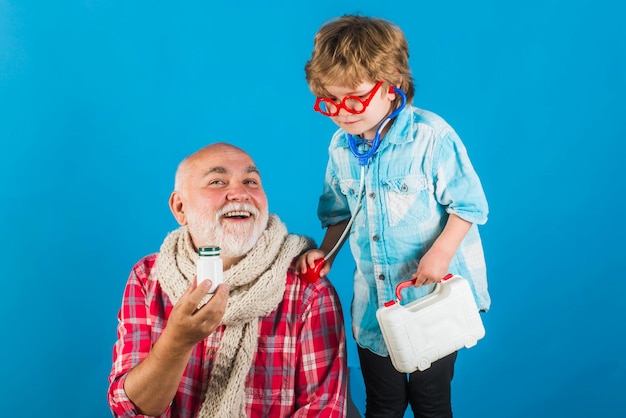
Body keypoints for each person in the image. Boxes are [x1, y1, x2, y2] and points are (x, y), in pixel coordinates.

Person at [295, 15, 490, 418]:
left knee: (430, 402)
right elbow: (338, 214)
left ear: (391, 87)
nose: (342, 113)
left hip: (430, 302)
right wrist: (326, 255)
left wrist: (440, 254)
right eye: (329, 102)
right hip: (374, 310)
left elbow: (470, 206)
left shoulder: (431, 138)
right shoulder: (340, 148)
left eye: (354, 99)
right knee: (383, 404)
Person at [108, 142, 348, 417]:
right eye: (217, 181)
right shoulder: (148, 277)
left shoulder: (307, 287)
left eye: (250, 181)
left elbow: (324, 410)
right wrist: (177, 341)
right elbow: (130, 408)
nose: (240, 193)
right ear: (179, 207)